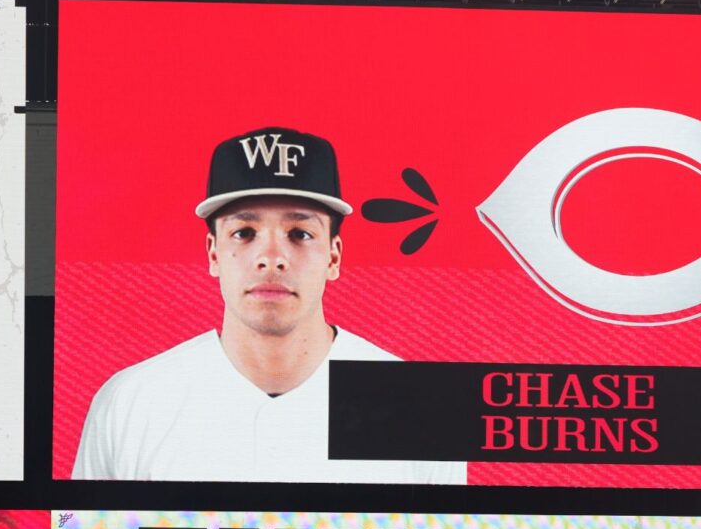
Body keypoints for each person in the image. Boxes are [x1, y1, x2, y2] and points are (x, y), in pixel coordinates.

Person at [72, 126, 466, 486]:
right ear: (213, 253)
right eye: (244, 233)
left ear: (333, 256)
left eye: (300, 233)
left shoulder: (418, 408)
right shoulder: (133, 402)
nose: (272, 257)